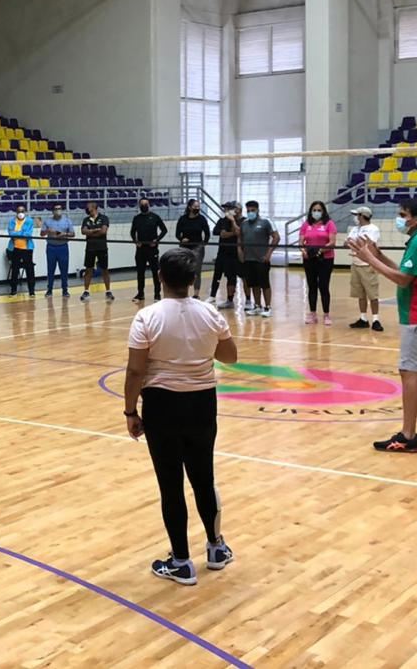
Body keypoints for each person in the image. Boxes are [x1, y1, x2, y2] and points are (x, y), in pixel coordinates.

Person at [124, 248, 236, 586]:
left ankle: (182, 562)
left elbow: (134, 370)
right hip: (203, 403)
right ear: (192, 280)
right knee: (204, 478)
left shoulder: (147, 317)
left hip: (161, 406)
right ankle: (216, 548)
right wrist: (201, 347)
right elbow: (230, 357)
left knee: (170, 485)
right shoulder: (210, 314)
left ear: (160, 277)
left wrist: (130, 411)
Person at [348, 199, 417, 454]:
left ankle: (407, 436)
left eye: (403, 214)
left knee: (409, 371)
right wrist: (379, 254)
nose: (399, 218)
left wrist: (369, 260)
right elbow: (410, 274)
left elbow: (403, 280)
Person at [297, 200, 337, 325]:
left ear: (323, 211)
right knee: (312, 285)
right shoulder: (306, 224)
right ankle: (312, 313)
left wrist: (320, 251)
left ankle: (326, 314)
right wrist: (303, 250)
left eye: (319, 210)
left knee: (323, 286)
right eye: (314, 210)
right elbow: (301, 242)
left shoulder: (329, 224)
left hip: (325, 259)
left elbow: (332, 242)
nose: (316, 212)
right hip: (309, 259)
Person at [237, 201, 278, 317]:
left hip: (262, 259)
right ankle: (257, 306)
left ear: (257, 210)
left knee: (265, 284)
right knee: (254, 284)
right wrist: (240, 251)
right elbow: (240, 239)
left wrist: (269, 253)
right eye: (248, 210)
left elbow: (276, 237)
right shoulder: (244, 224)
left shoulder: (265, 222)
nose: (250, 212)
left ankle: (268, 307)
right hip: (249, 259)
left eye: (253, 210)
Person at [346, 207, 383, 331]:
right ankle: (363, 319)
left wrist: (355, 242)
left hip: (368, 265)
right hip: (355, 264)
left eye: (357, 215)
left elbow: (369, 245)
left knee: (372, 294)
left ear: (362, 216)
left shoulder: (373, 229)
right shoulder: (354, 229)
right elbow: (347, 243)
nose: (355, 217)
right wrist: (354, 242)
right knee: (360, 294)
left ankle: (376, 320)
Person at [130, 199, 166, 302]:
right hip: (140, 249)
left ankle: (157, 294)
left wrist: (157, 240)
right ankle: (140, 294)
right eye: (142, 204)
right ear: (139, 206)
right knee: (140, 272)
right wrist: (136, 241)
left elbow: (164, 230)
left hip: (152, 249)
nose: (144, 206)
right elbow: (132, 232)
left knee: (155, 272)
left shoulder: (155, 217)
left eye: (145, 204)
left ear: (149, 205)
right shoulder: (137, 218)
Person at [206, 203, 239, 310]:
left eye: (228, 208)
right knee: (217, 274)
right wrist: (225, 233)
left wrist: (228, 233)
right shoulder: (222, 221)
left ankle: (230, 300)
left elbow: (238, 232)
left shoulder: (239, 221)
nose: (226, 210)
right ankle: (212, 296)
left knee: (231, 277)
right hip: (222, 253)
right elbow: (216, 231)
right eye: (225, 209)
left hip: (234, 253)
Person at [175, 199, 210, 298]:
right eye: (195, 206)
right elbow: (177, 234)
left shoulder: (202, 219)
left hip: (197, 247)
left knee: (196, 271)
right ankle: (183, 292)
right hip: (184, 247)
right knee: (183, 270)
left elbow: (207, 233)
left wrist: (204, 243)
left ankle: (196, 294)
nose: (197, 208)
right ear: (189, 207)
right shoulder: (183, 219)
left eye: (198, 206)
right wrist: (182, 239)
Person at [80, 201, 114, 302]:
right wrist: (95, 231)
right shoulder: (86, 219)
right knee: (88, 269)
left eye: (88, 207)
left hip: (102, 247)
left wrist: (90, 232)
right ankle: (86, 291)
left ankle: (108, 291)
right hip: (90, 247)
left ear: (94, 207)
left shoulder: (104, 218)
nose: (87, 208)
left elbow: (103, 231)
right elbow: (83, 231)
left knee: (104, 269)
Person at [42, 203, 75, 298]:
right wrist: (48, 231)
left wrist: (64, 234)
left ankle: (65, 290)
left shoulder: (67, 221)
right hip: (51, 247)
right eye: (56, 209)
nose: (58, 210)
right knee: (50, 269)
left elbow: (72, 234)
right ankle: (49, 290)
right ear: (52, 211)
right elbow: (42, 234)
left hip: (63, 247)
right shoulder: (47, 222)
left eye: (59, 208)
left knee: (64, 269)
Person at [8, 205, 36, 296]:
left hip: (27, 249)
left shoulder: (29, 221)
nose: (20, 213)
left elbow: (28, 234)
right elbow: (11, 233)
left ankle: (31, 291)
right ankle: (13, 290)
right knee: (15, 269)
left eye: (22, 211)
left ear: (25, 212)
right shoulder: (12, 221)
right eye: (19, 211)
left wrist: (17, 233)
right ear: (16, 212)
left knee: (29, 270)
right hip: (15, 248)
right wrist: (20, 233)